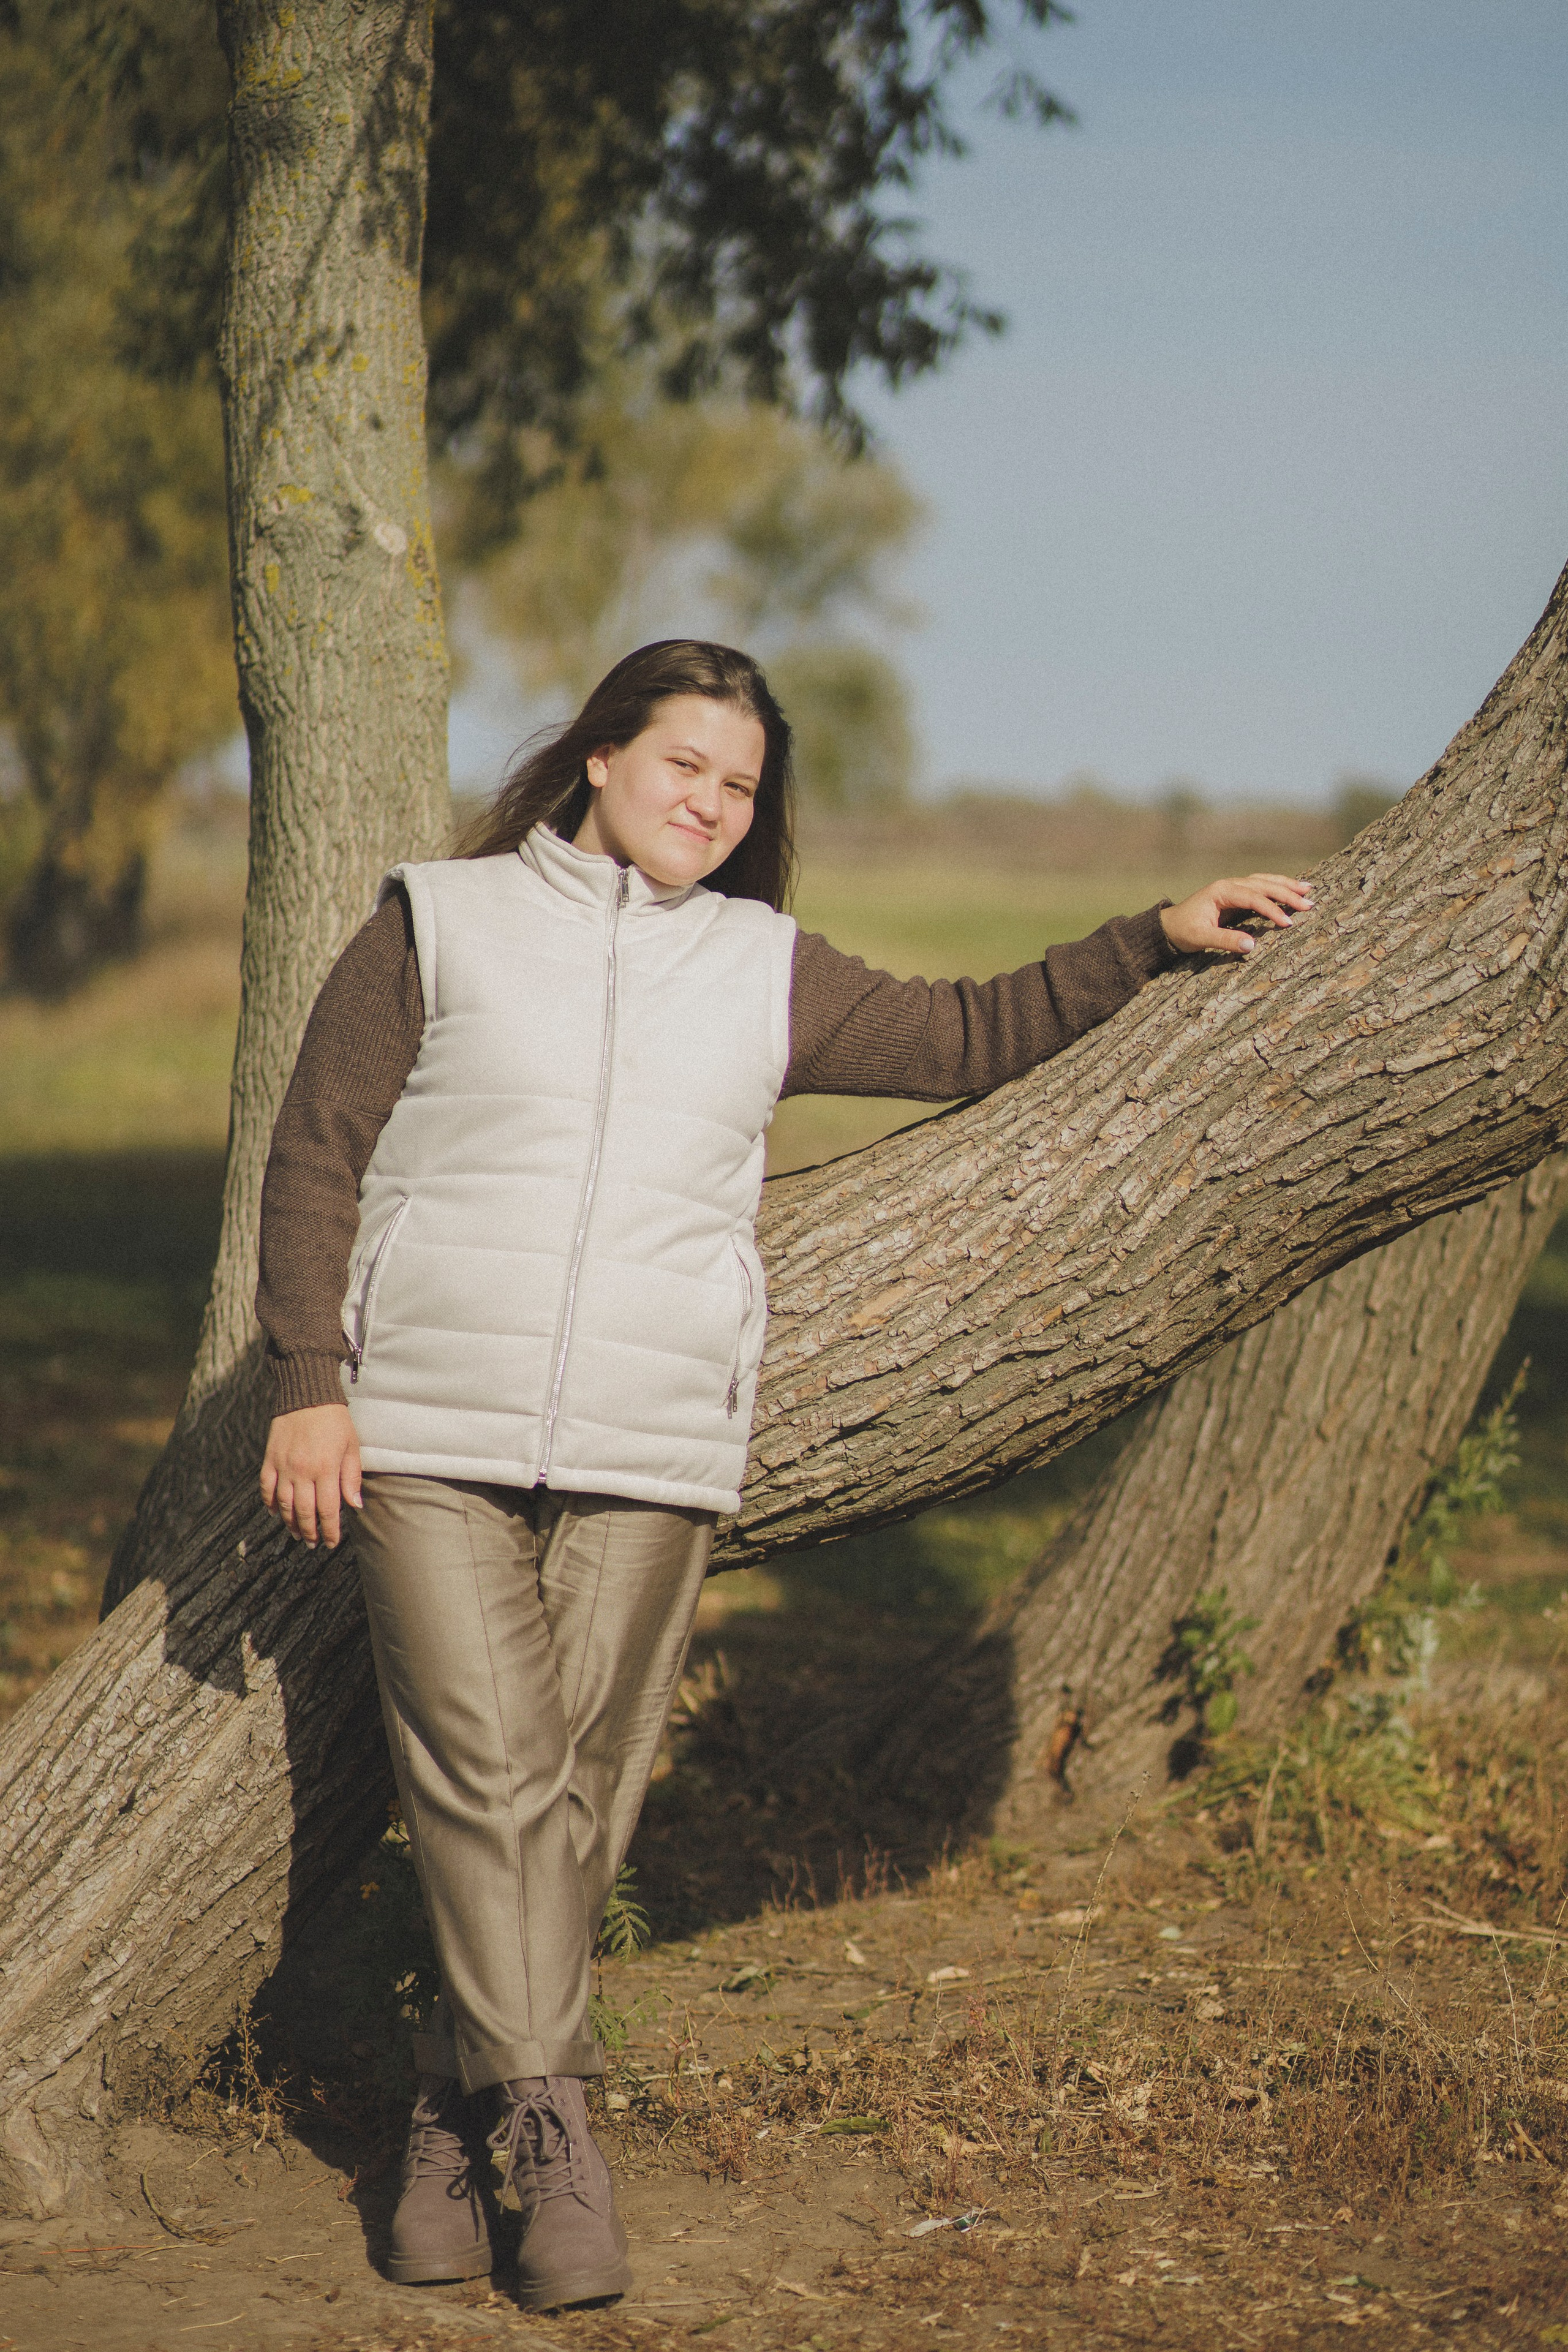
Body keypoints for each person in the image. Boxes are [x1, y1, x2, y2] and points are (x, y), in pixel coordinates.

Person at [255, 639, 1310, 2310]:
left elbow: (972, 1031)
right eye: (686, 766)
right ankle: (556, 2132)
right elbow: (317, 1147)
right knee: (488, 1771)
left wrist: (1148, 938)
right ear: (599, 756)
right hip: (430, 1429)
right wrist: (312, 1382)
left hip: (654, 1436)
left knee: (585, 1794)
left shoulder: (766, 967)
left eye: (742, 789)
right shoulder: (437, 925)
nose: (714, 808)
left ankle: (448, 2133)